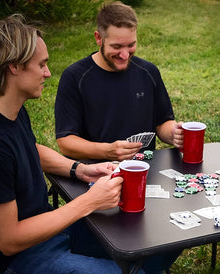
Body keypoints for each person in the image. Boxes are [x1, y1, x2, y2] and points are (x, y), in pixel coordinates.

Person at [0, 14, 173, 274]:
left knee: (153, 242)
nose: (48, 73)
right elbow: (8, 240)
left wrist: (80, 169)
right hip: (17, 265)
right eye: (41, 64)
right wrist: (89, 202)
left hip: (47, 231)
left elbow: (30, 149)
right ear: (14, 66)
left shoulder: (12, 110)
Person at [54, 1, 184, 161]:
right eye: (116, 47)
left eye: (131, 45)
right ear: (98, 38)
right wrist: (107, 151)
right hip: (94, 173)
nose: (124, 55)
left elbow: (163, 122)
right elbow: (65, 142)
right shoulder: (74, 77)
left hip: (142, 171)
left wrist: (174, 133)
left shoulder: (148, 72)